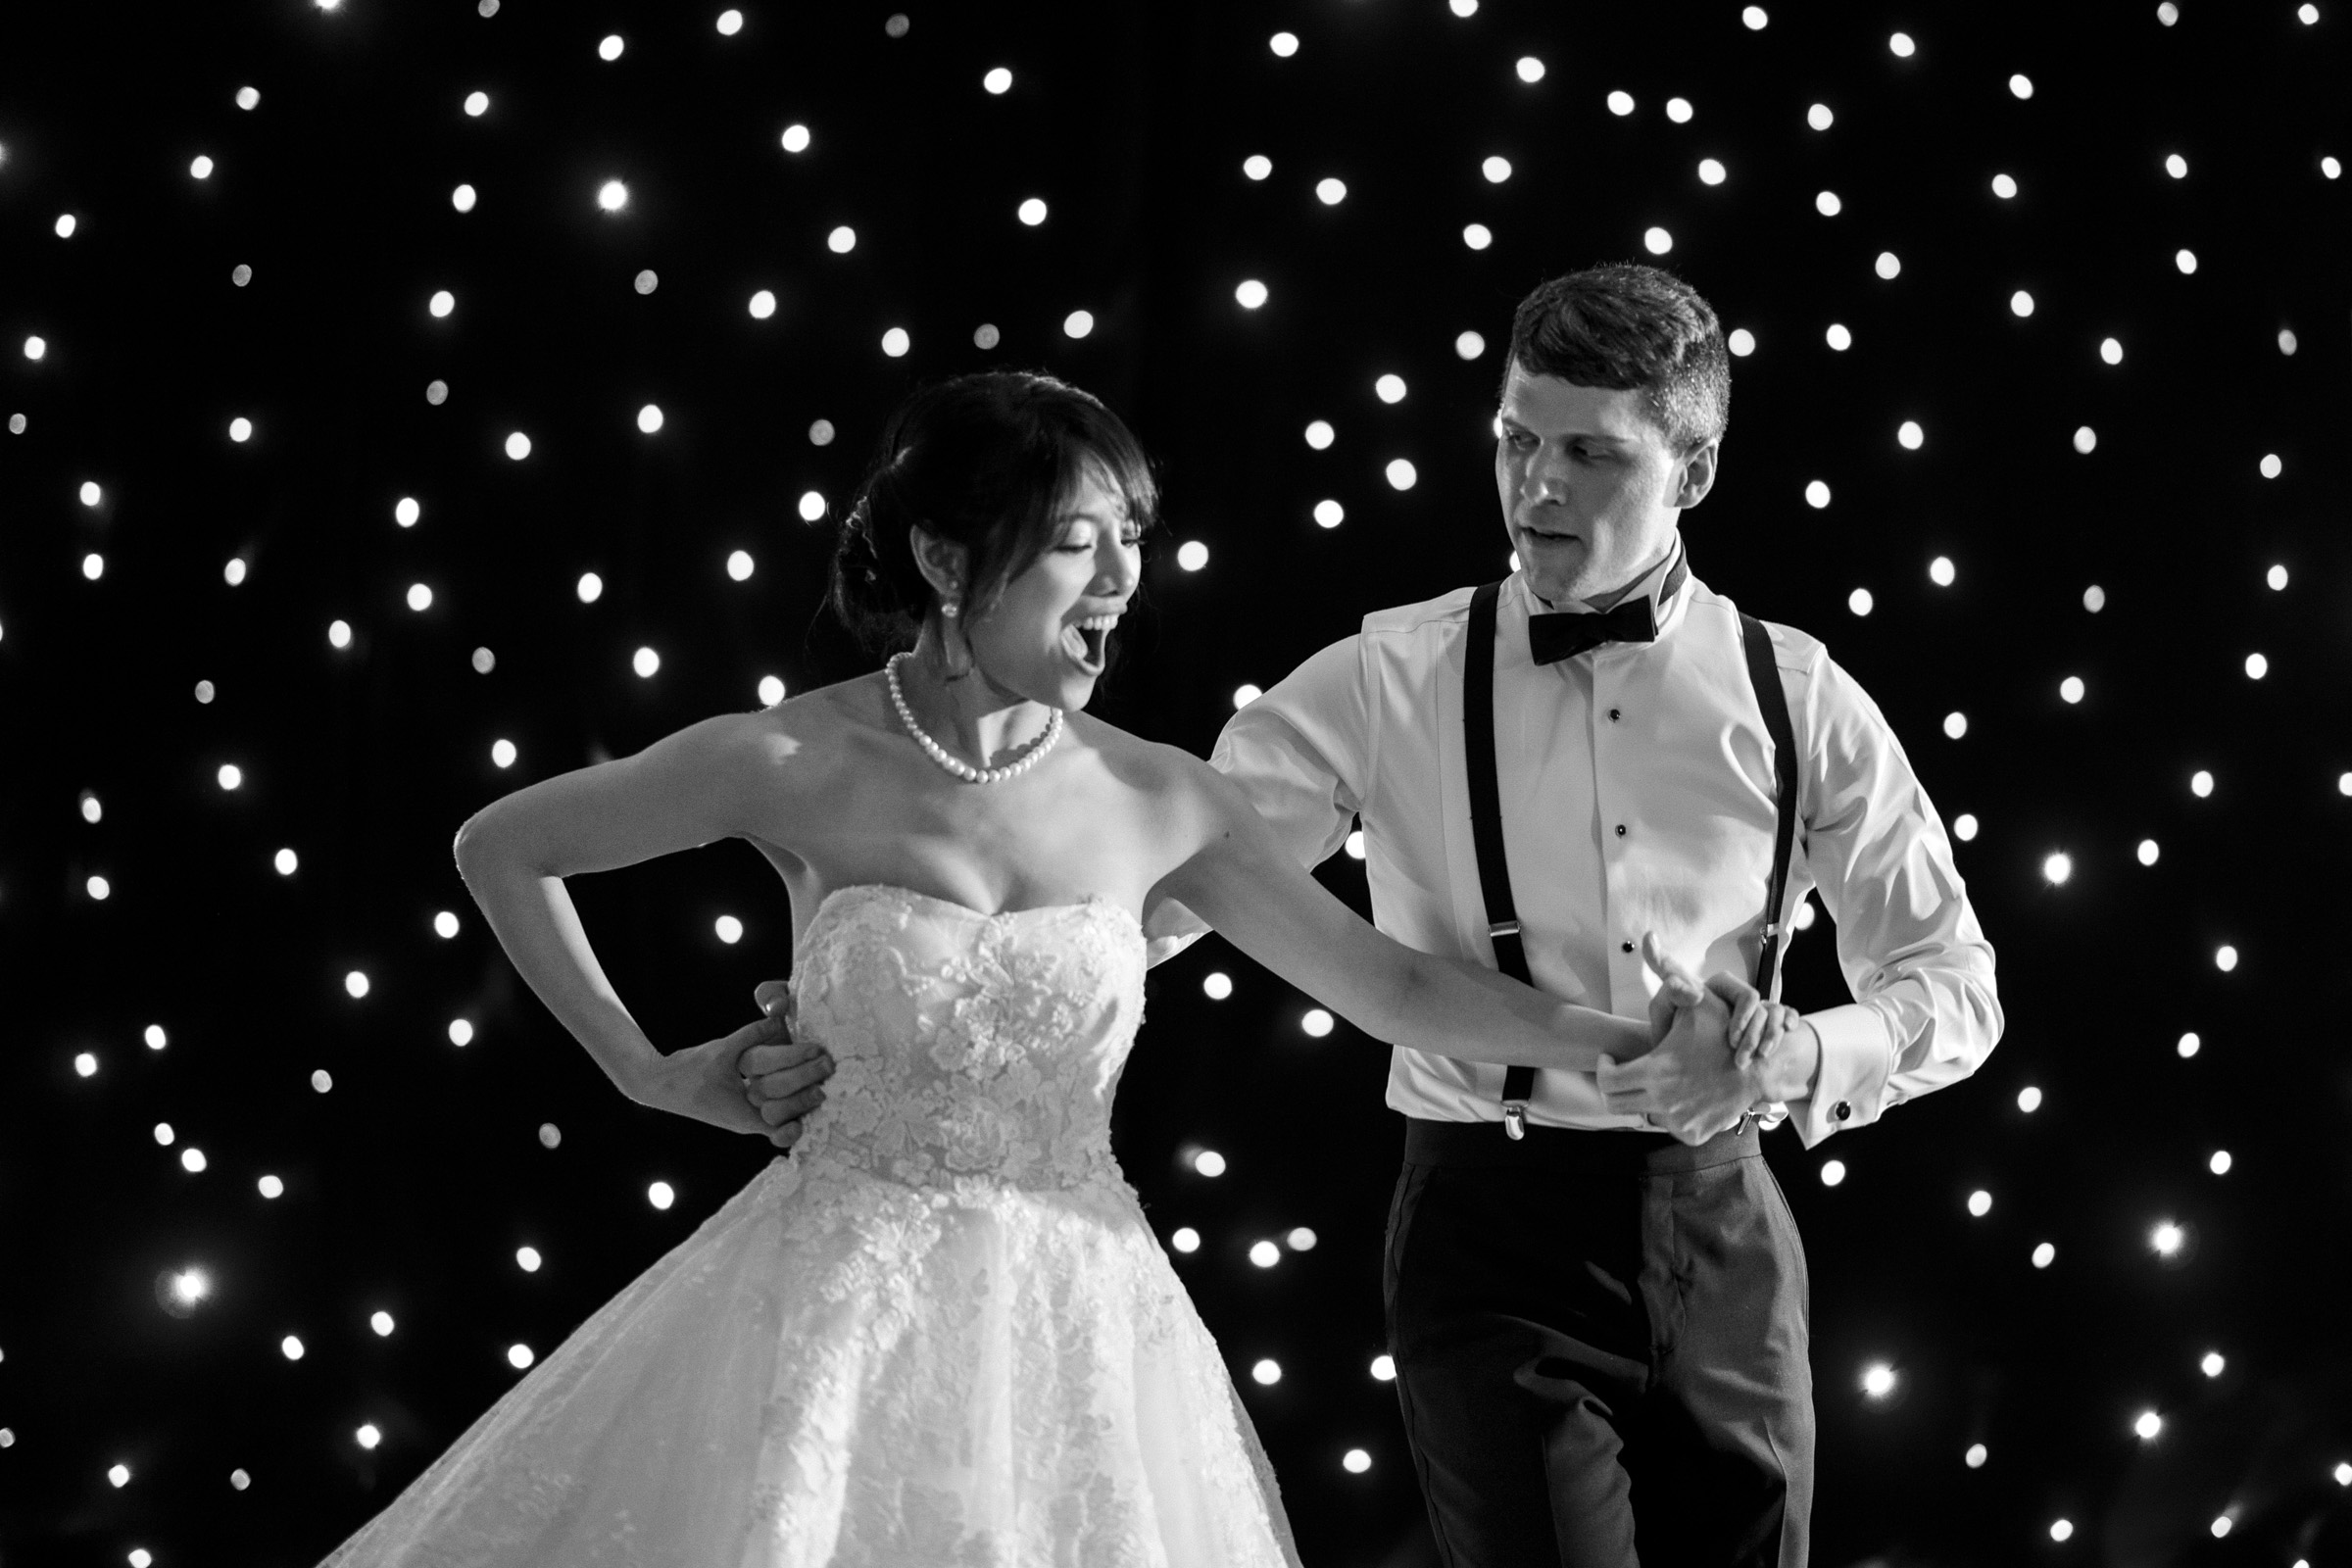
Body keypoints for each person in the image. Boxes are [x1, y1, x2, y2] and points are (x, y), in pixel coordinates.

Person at [314, 370, 1740, 1568]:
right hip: (827, 1314)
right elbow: (503, 846)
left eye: (1132, 537)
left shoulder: (1158, 796)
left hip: (1082, 1335)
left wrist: (1634, 1039)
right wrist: (652, 1074)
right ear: (945, 561)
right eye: (1076, 542)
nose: (1124, 577)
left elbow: (1402, 991)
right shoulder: (794, 759)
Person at [1185, 264, 2004, 1566]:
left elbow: (1953, 988)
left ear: (1695, 468)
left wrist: (1794, 1057)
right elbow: (1168, 877)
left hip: (1726, 1228)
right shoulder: (1383, 680)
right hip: (1489, 1227)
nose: (1536, 486)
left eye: (1590, 453)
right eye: (1516, 440)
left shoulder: (1799, 697)